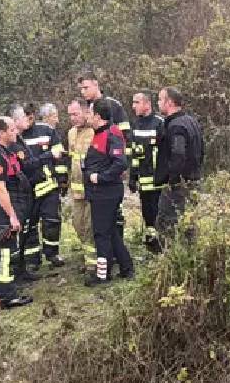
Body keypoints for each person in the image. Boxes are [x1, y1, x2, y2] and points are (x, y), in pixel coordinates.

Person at [0, 116, 33, 309]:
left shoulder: (7, 151)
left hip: (9, 205)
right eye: (11, 130)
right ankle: (7, 297)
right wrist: (12, 215)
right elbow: (0, 189)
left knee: (2, 251)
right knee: (4, 253)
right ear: (1, 133)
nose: (16, 132)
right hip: (1, 210)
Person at [83, 99, 134, 286]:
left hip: (106, 192)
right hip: (99, 192)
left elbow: (120, 163)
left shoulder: (112, 133)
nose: (87, 116)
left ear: (97, 116)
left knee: (101, 234)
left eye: (89, 113)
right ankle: (127, 267)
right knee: (111, 231)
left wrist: (100, 177)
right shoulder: (99, 133)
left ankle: (102, 276)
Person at [153, 86, 204, 242]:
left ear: (169, 102)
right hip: (194, 181)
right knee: (188, 224)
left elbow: (178, 154)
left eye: (160, 99)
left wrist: (172, 180)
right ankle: (189, 259)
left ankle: (170, 260)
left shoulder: (176, 126)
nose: (158, 103)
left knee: (166, 224)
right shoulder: (191, 121)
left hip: (178, 186)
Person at [20, 103, 67, 269]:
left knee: (52, 221)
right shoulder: (15, 135)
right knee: (29, 226)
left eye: (32, 116)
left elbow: (60, 155)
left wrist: (62, 179)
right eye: (26, 116)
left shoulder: (47, 130)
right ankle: (33, 260)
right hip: (26, 191)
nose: (29, 120)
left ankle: (52, 253)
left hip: (48, 187)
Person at [8, 105, 45, 280]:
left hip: (28, 192)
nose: (27, 120)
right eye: (24, 117)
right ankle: (16, 272)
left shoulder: (19, 139)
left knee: (26, 230)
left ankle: (22, 269)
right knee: (19, 233)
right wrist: (49, 156)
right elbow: (27, 164)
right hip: (19, 195)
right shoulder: (14, 143)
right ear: (15, 121)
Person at [129, 91, 166, 253]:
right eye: (133, 102)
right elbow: (134, 152)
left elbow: (164, 152)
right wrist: (132, 176)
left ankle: (161, 243)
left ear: (147, 104)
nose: (133, 106)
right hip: (143, 179)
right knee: (147, 211)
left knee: (158, 210)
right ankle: (151, 240)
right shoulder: (136, 125)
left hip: (158, 179)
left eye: (137, 102)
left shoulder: (159, 123)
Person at [65, 99, 97, 272]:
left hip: (92, 190)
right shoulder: (70, 133)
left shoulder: (94, 132)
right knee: (78, 224)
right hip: (77, 191)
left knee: (91, 226)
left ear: (86, 112)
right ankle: (88, 257)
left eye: (76, 114)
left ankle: (92, 264)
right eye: (70, 114)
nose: (72, 118)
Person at [78, 71, 131, 144]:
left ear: (96, 84)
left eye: (86, 88)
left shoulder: (113, 104)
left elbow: (125, 131)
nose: (82, 92)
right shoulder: (84, 106)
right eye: (81, 89)